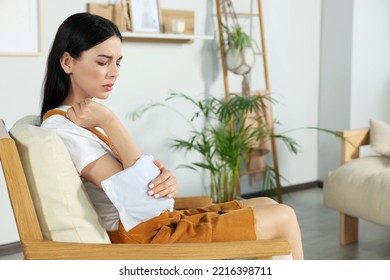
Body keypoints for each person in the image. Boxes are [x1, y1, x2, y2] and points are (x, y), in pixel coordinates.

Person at [40, 12, 304, 260]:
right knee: (284, 215)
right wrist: (111, 122)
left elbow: (142, 183)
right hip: (146, 239)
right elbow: (141, 195)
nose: (114, 72)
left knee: (267, 202)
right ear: (67, 62)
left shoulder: (83, 119)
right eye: (102, 61)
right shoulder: (66, 128)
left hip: (155, 225)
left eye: (118, 62)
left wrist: (164, 179)